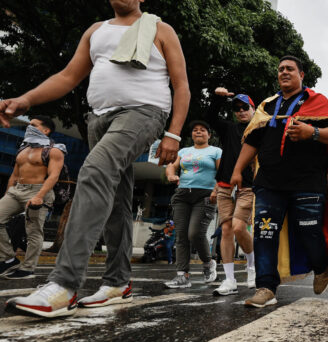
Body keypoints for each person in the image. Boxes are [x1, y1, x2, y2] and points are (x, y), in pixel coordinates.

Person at [3, 0, 188, 318]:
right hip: (98, 120)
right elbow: (68, 76)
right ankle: (118, 282)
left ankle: (63, 285)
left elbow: (181, 84)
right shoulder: (96, 31)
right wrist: (26, 99)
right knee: (115, 198)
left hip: (144, 112)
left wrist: (173, 134)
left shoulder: (160, 29)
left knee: (94, 171)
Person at [231, 55, 328, 308]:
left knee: (309, 232)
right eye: (280, 69)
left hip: (307, 182)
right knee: (264, 233)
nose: (284, 72)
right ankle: (266, 287)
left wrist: (310, 132)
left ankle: (320, 266)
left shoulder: (317, 101)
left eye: (290, 69)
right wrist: (237, 171)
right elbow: (252, 142)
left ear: (301, 75)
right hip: (269, 182)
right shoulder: (267, 105)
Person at [0, 116, 65, 279]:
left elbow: (53, 176)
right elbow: (14, 175)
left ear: (45, 130)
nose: (29, 127)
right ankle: (8, 258)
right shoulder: (23, 149)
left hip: (38, 191)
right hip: (17, 190)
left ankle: (28, 268)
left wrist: (40, 196)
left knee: (33, 232)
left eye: (33, 125)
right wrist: (8, 193)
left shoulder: (54, 150)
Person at [207, 87, 257, 296]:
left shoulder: (260, 129)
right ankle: (229, 280)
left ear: (253, 109)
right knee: (226, 230)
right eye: (237, 109)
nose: (241, 111)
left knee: (238, 228)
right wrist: (217, 99)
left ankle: (252, 265)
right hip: (225, 185)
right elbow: (210, 117)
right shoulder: (229, 128)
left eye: (245, 107)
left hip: (248, 186)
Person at [163, 120, 221, 288]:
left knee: (195, 233)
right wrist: (171, 175)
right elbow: (171, 166)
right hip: (182, 194)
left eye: (202, 130)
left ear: (209, 135)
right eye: (195, 130)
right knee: (181, 235)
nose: (198, 132)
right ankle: (182, 275)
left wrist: (216, 191)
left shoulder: (216, 151)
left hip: (205, 195)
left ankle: (208, 263)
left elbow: (222, 173)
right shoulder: (184, 151)